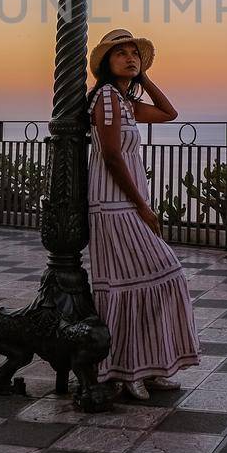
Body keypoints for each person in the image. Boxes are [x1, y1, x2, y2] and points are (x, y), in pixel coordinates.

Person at [86, 27, 200, 401]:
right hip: (114, 206)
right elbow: (112, 155)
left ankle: (148, 366)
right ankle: (124, 369)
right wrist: (142, 206)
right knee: (147, 278)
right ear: (106, 63)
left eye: (135, 54)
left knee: (147, 283)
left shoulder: (123, 101)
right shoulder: (105, 97)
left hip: (125, 205)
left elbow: (170, 113)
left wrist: (144, 78)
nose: (130, 58)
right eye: (121, 54)